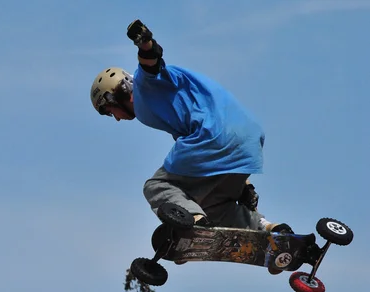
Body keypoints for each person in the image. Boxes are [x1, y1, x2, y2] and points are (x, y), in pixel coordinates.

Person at [90, 20, 293, 273]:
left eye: (110, 112)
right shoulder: (160, 99)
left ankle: (194, 226)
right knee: (212, 205)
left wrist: (144, 42)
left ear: (114, 95)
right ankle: (270, 231)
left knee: (157, 186)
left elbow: (151, 63)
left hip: (213, 138)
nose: (117, 119)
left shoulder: (143, 88)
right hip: (247, 141)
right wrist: (245, 186)